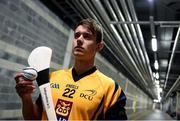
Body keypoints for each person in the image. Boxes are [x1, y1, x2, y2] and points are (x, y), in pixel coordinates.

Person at [15, 18, 127, 120]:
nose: (79, 40)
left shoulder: (111, 89)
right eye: (76, 35)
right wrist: (26, 97)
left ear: (99, 46)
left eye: (87, 36)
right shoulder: (53, 77)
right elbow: (33, 118)